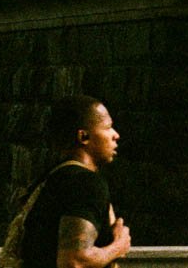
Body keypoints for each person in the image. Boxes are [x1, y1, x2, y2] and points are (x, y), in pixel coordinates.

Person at [17, 95, 131, 268]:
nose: (116, 135)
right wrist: (118, 246)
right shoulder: (85, 184)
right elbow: (74, 261)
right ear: (83, 137)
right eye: (108, 128)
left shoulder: (52, 179)